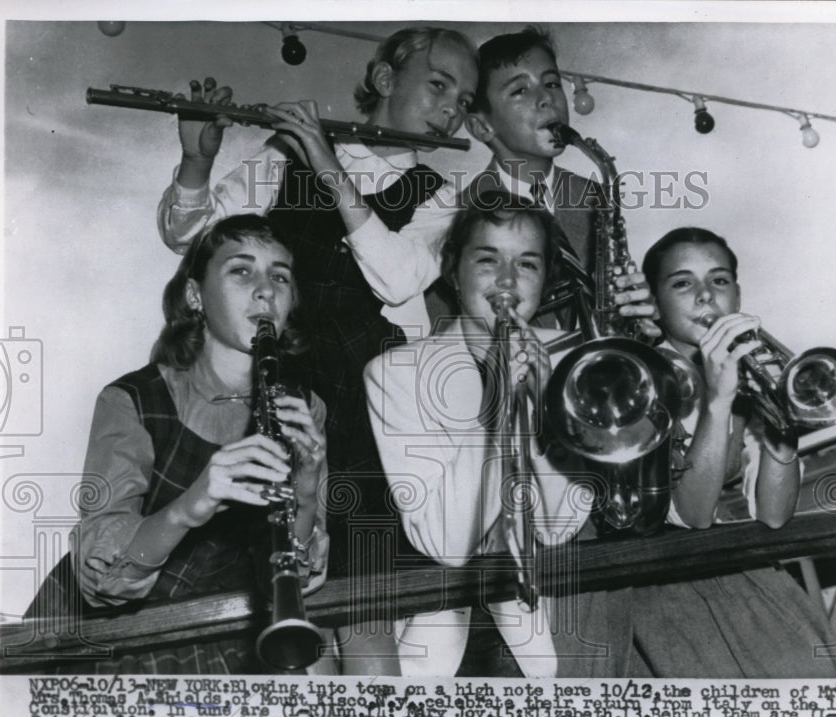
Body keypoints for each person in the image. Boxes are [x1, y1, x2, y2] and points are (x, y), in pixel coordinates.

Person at [156, 27, 479, 673]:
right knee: (285, 611)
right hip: (280, 396)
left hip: (369, 417)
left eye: (465, 99)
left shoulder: (439, 197)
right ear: (385, 79)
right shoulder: (283, 156)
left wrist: (327, 165)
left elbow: (400, 277)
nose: (452, 108)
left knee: (364, 611)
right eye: (439, 83)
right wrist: (198, 160)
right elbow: (189, 237)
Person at [25, 214, 329, 674]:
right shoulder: (131, 400)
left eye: (280, 276)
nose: (265, 289)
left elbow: (293, 579)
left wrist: (306, 491)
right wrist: (191, 505)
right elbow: (101, 584)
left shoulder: (306, 409)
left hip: (219, 630)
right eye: (241, 270)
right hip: (103, 634)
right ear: (194, 296)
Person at [364, 191, 613, 677]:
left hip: (555, 627)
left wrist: (548, 411)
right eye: (487, 260)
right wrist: (496, 406)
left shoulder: (575, 363)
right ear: (453, 273)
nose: (506, 281)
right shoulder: (394, 373)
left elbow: (557, 526)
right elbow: (445, 543)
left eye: (526, 264)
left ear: (545, 280)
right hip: (444, 636)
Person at [624, 226, 836, 677]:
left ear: (738, 292)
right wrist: (718, 402)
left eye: (719, 280)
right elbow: (691, 514)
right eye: (682, 283)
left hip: (740, 576)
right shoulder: (636, 375)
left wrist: (782, 420)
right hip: (660, 594)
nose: (706, 297)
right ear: (654, 302)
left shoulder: (745, 371)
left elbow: (772, 514)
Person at [459, 26, 661, 338]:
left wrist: (634, 317)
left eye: (552, 83)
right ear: (481, 126)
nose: (546, 99)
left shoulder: (593, 196)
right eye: (520, 90)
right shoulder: (458, 211)